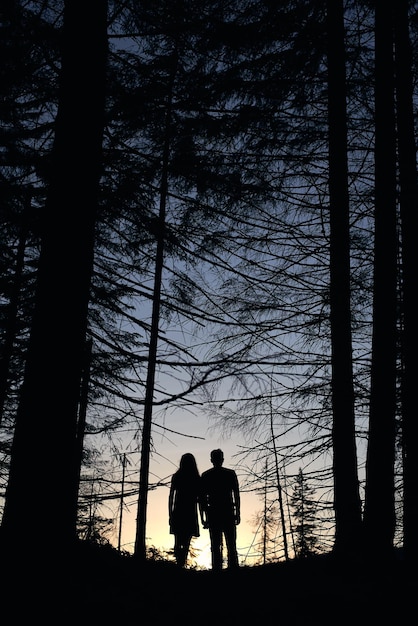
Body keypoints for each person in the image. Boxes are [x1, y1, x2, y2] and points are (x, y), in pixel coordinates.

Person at [200, 448, 241, 571]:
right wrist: (237, 513)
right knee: (230, 543)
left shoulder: (206, 475)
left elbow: (202, 499)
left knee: (216, 544)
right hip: (226, 512)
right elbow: (236, 495)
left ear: (211, 460)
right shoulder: (230, 474)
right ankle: (232, 568)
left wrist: (203, 517)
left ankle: (217, 569)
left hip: (214, 513)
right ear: (222, 459)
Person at [168, 453, 201, 567]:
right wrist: (202, 515)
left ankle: (179, 563)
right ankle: (182, 564)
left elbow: (171, 496)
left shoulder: (177, 476)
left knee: (178, 540)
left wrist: (170, 514)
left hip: (178, 511)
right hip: (190, 512)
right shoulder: (196, 477)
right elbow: (200, 498)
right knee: (186, 541)